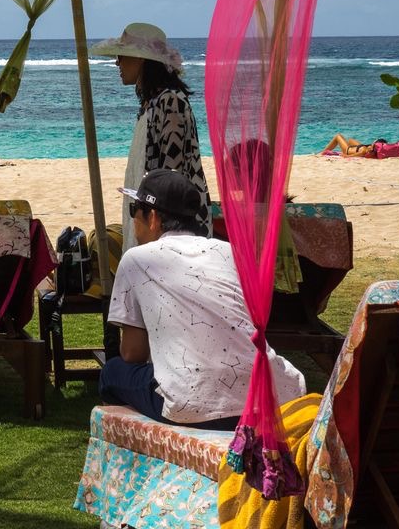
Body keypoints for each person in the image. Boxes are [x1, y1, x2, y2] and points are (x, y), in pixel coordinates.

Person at [99, 169, 306, 428]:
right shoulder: (230, 251)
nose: (133, 220)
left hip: (194, 403)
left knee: (112, 373)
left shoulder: (137, 259)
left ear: (153, 218)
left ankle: (137, 457)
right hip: (268, 394)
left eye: (134, 210)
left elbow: (132, 353)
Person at [92, 22, 210, 250]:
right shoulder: (154, 103)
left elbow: (171, 175)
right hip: (156, 221)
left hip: (172, 228)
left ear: (140, 59)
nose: (117, 62)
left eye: (122, 56)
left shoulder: (170, 101)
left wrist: (157, 229)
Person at [320, 120, 399, 157]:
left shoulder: (365, 150)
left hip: (348, 150)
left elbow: (349, 156)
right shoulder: (367, 149)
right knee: (350, 139)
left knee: (338, 136)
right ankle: (323, 152)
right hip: (359, 147)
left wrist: (345, 155)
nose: (372, 145)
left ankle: (322, 152)